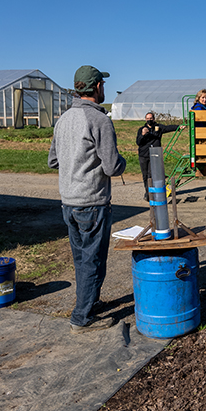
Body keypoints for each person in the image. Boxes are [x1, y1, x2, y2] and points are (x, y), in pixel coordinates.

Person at [48, 65, 126, 333]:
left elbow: (53, 161)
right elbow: (112, 167)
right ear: (97, 87)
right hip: (92, 202)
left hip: (68, 202)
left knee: (82, 259)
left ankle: (89, 302)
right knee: (93, 260)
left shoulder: (64, 119)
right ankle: (82, 318)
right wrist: (123, 161)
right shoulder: (99, 120)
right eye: (103, 84)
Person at [136, 111, 184, 199]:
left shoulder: (158, 127)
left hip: (154, 154)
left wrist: (178, 127)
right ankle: (147, 193)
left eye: (151, 118)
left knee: (151, 174)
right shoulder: (142, 129)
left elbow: (168, 128)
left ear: (154, 119)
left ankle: (151, 193)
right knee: (145, 175)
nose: (149, 120)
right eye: (147, 119)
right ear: (145, 119)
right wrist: (143, 135)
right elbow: (138, 142)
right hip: (144, 155)